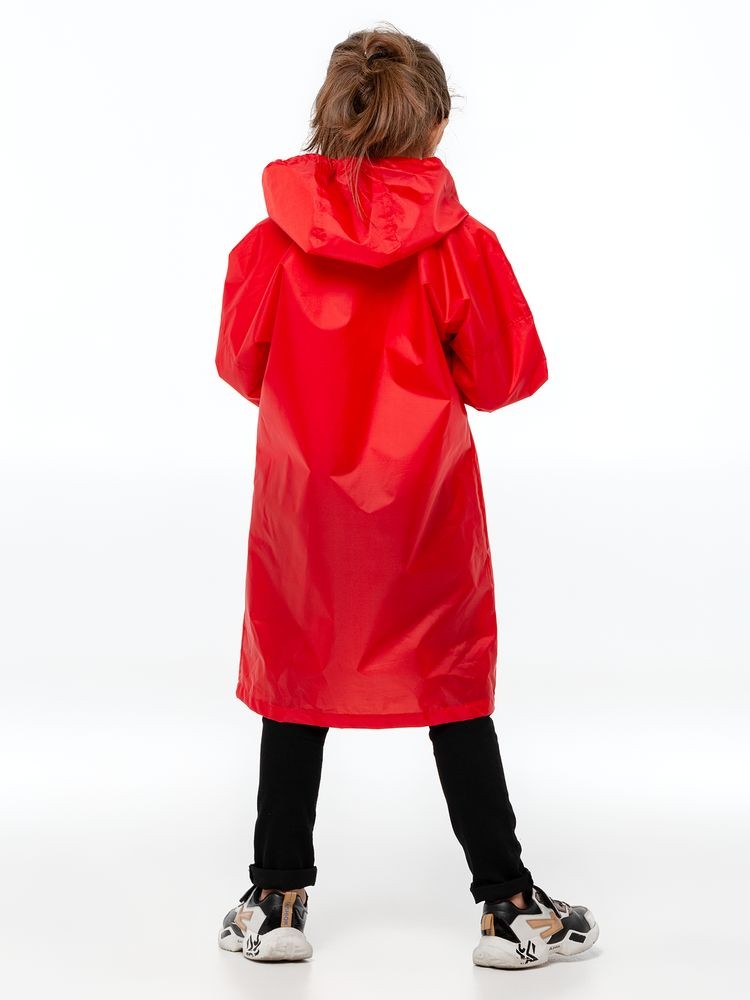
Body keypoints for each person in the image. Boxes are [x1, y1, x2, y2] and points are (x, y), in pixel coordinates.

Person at [214, 25, 598, 970]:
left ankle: (275, 899)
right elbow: (505, 377)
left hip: (305, 507)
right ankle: (508, 906)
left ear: (331, 114)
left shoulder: (268, 244)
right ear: (434, 125)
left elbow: (240, 365)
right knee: (451, 685)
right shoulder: (461, 247)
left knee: (297, 679)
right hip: (424, 505)